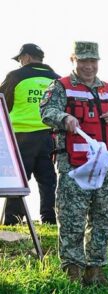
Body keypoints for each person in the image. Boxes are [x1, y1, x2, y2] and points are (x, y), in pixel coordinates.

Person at [40, 41, 108, 285]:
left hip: (104, 166)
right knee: (72, 219)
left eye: (92, 61)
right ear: (74, 60)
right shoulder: (61, 87)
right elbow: (46, 112)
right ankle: (73, 271)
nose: (88, 66)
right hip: (74, 166)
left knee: (105, 218)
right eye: (83, 61)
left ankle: (95, 269)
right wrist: (64, 117)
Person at [1, 43, 59, 226]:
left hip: (21, 137)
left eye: (20, 59)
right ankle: (49, 220)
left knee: (19, 180)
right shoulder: (57, 79)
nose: (20, 62)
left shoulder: (16, 76)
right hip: (50, 137)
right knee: (48, 179)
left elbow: (3, 102)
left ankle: (13, 220)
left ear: (26, 57)